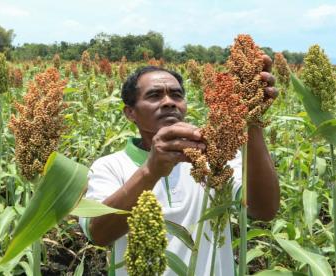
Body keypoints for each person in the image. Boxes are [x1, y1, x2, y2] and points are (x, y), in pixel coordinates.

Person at [79, 56, 280, 276]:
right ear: (130, 113)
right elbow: (97, 233)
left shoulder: (216, 157)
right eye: (154, 95)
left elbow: (264, 210)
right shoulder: (109, 166)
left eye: (176, 95)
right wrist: (150, 170)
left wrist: (252, 119)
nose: (168, 102)